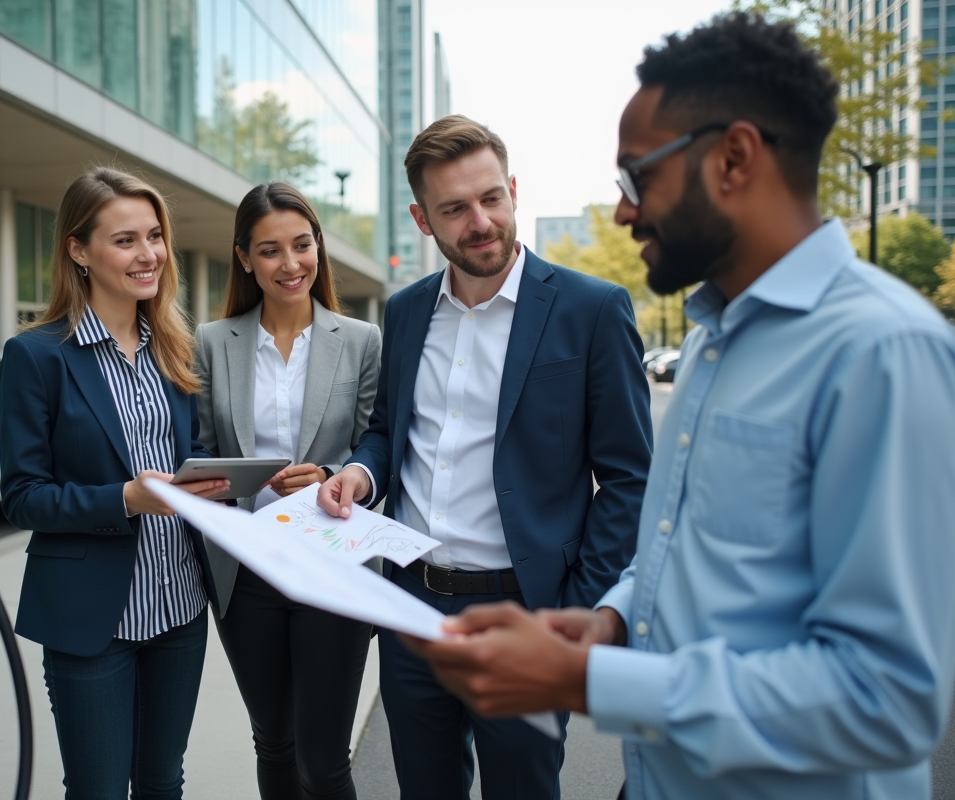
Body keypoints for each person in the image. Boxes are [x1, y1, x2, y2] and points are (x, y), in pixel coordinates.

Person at [403, 13, 955, 800]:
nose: (623, 212)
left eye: (636, 178)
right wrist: (611, 621)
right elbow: (683, 548)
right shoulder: (710, 337)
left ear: (733, 158)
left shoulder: (882, 352)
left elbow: (888, 701)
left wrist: (597, 679)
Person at [317, 115, 653, 799]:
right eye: (454, 208)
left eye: (492, 197)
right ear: (421, 218)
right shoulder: (407, 312)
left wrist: (576, 611)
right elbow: (387, 430)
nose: (480, 221)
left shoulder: (591, 310)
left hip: (525, 610)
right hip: (411, 609)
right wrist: (361, 471)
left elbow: (628, 479)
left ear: (514, 190)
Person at [0, 166, 229, 799]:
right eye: (125, 240)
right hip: (91, 617)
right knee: (98, 789)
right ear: (78, 250)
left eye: (154, 236)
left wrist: (220, 479)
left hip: (180, 606)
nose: (148, 253)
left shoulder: (175, 349)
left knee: (162, 781)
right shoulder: (37, 356)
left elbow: (193, 456)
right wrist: (125, 499)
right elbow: (21, 496)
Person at [194, 182, 381, 800]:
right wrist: (221, 483)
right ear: (245, 258)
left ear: (319, 249)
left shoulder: (360, 342)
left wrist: (331, 478)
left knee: (324, 760)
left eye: (303, 246)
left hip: (333, 566)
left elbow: (375, 448)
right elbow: (194, 453)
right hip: (245, 572)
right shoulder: (211, 343)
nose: (290, 264)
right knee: (273, 742)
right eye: (270, 250)